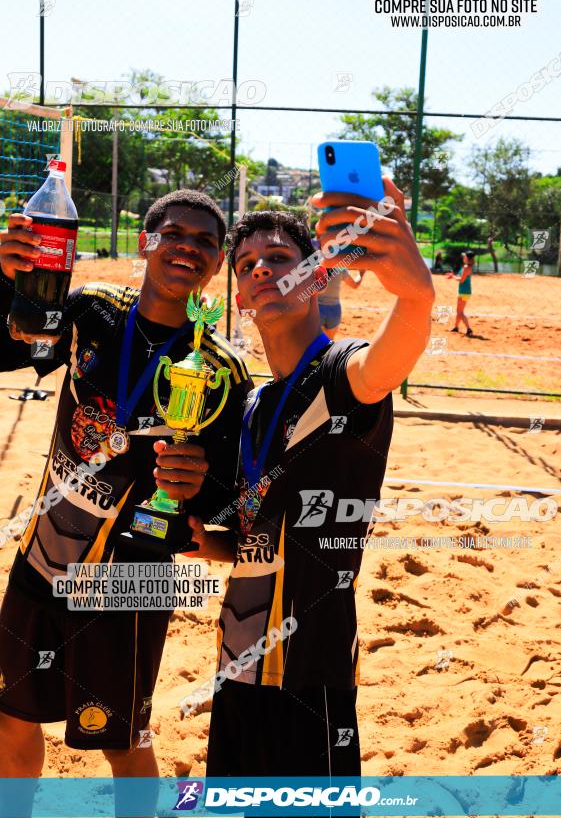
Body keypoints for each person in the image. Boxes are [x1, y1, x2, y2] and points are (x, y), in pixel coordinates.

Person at [0, 190, 251, 807]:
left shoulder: (221, 370)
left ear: (216, 265)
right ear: (146, 241)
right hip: (42, 558)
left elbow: (223, 508)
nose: (186, 247)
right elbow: (15, 346)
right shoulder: (90, 311)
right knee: (10, 719)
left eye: (204, 242)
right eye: (173, 233)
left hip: (129, 585)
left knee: (123, 740)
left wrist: (192, 490)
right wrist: (9, 280)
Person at [186, 177, 434, 780]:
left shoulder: (340, 374)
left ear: (317, 278)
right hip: (236, 660)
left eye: (279, 258)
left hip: (311, 668)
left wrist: (417, 298)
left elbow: (385, 364)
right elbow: (245, 535)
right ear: (240, 296)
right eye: (247, 265)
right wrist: (208, 538)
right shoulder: (248, 405)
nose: (262, 270)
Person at [318, 265, 363, 339]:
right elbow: (355, 285)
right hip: (334, 310)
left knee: (317, 342)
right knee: (329, 342)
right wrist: (361, 274)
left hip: (318, 309)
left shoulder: (315, 269)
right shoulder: (340, 269)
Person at [446, 250, 475, 336]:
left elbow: (461, 280)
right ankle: (456, 327)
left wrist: (452, 277)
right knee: (459, 311)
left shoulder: (466, 267)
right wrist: (453, 275)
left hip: (464, 291)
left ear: (467, 258)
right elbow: (461, 277)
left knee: (460, 312)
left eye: (465, 256)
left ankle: (469, 329)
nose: (463, 257)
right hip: (465, 291)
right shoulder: (466, 267)